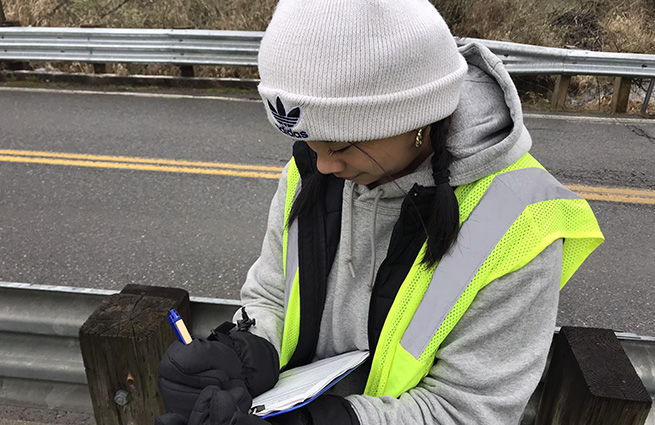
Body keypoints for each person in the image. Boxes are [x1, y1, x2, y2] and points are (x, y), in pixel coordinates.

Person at [156, 0, 604, 424]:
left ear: (416, 120)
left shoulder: (518, 223)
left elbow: (468, 410)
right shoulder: (313, 171)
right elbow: (273, 294)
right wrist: (245, 350)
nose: (325, 165)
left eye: (341, 144)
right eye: (311, 143)